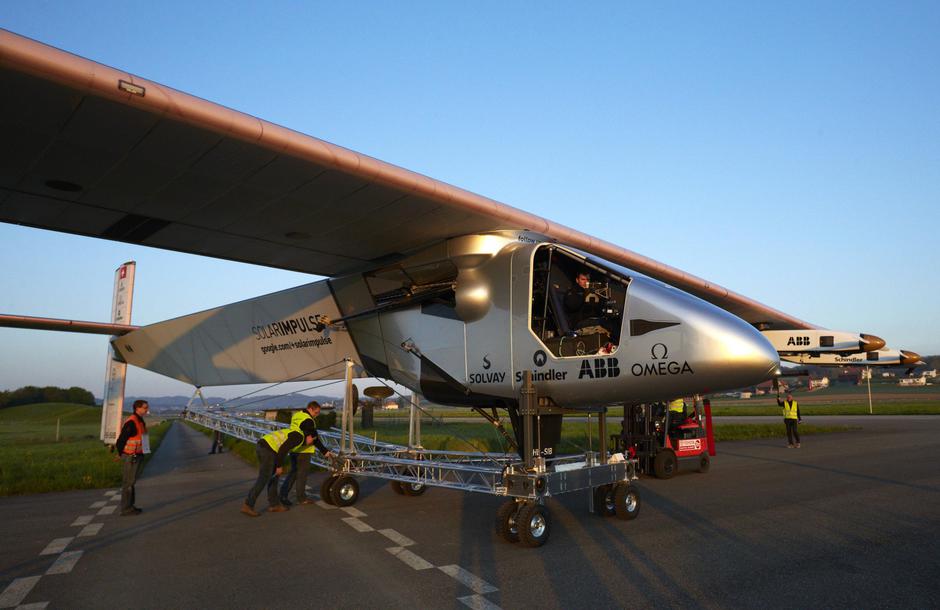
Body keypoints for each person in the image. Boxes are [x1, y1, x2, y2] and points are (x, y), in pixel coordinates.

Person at [280, 401, 333, 506]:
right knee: (302, 475)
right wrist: (324, 451)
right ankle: (302, 498)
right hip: (304, 451)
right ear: (310, 409)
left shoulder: (297, 415)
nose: (316, 415)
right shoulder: (308, 420)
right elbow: (314, 438)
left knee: (293, 473)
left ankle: (283, 495)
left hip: (294, 448)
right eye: (316, 412)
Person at [115, 399, 150, 516]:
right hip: (131, 457)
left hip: (137, 455)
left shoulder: (140, 421)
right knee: (128, 483)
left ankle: (130, 506)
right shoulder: (132, 422)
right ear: (137, 408)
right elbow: (121, 440)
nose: (147, 410)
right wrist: (120, 454)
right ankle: (126, 509)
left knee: (131, 482)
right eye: (145, 408)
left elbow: (142, 438)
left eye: (147, 407)